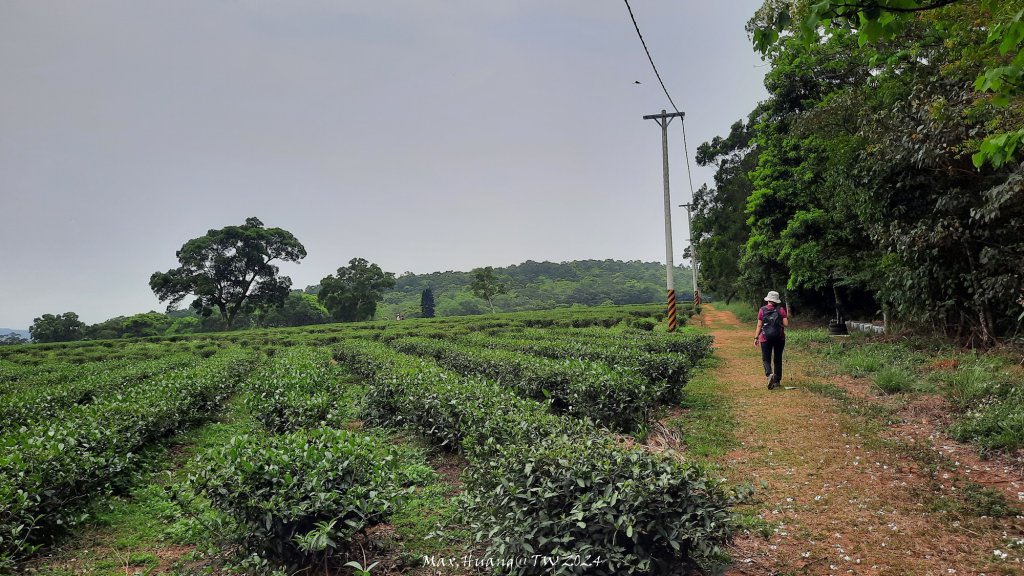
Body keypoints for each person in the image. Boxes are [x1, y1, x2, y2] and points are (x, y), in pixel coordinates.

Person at [754, 290, 789, 389]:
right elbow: (786, 324)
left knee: (766, 359)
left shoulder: (762, 310)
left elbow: (759, 325)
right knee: (777, 359)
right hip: (779, 338)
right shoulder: (781, 310)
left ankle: (769, 374)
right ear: (776, 300)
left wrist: (756, 337)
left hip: (765, 338)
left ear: (768, 299)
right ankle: (777, 381)